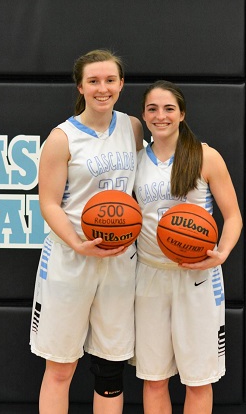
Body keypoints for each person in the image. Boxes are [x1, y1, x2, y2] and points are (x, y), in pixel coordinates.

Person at [29, 49, 143, 414]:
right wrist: (79, 243)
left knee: (110, 370)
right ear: (80, 86)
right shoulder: (61, 138)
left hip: (119, 260)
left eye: (110, 80)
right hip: (70, 260)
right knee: (61, 367)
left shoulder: (133, 127)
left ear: (121, 84)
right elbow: (48, 203)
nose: (102, 88)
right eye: (93, 81)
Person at [133, 80, 242, 414]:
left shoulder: (205, 156)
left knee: (198, 380)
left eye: (169, 109)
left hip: (197, 278)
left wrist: (220, 254)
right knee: (154, 379)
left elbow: (233, 216)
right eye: (152, 109)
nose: (160, 116)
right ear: (144, 115)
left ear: (182, 114)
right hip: (149, 275)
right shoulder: (136, 161)